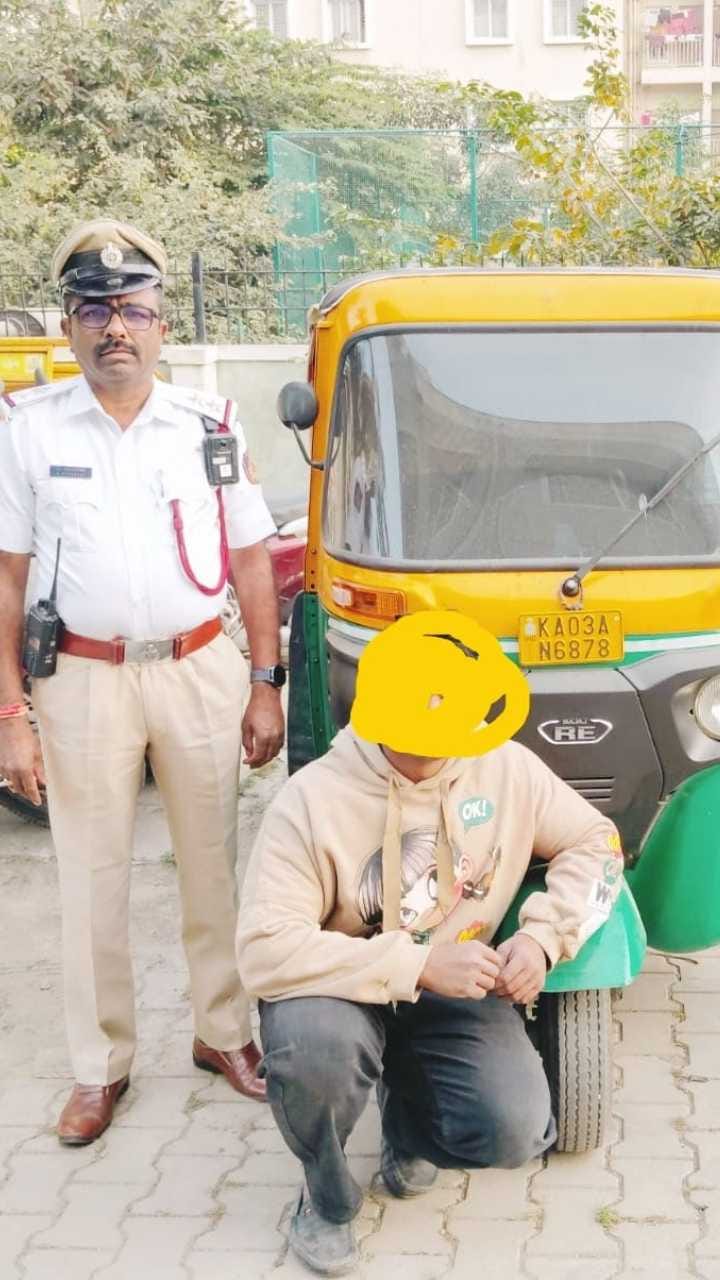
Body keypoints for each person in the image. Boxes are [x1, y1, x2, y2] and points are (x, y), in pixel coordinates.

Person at [0, 219, 285, 1145]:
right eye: (93, 309)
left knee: (213, 865)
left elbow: (251, 555)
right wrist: (11, 712)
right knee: (91, 876)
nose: (113, 327)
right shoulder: (30, 429)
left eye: (131, 309)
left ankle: (223, 1034)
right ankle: (101, 1067)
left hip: (201, 667)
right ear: (68, 324)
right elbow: (8, 576)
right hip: (80, 680)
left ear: (161, 324)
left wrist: (265, 680)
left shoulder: (209, 422)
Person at [237, 611, 624, 1276]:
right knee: (316, 1055)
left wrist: (541, 939)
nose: (437, 753)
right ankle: (326, 1199)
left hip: (457, 984)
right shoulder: (310, 800)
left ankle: (407, 1126)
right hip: (342, 986)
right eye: (420, 740)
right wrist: (414, 963)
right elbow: (264, 949)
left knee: (515, 1128)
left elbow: (598, 843)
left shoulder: (505, 766)